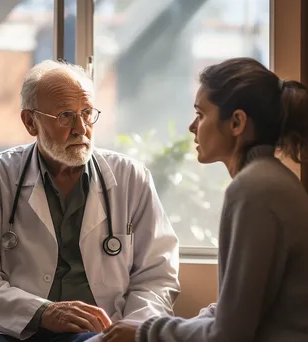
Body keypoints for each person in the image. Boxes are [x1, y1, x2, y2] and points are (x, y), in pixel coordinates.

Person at [0, 60, 180, 342]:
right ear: (31, 122)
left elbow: (157, 276)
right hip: (11, 328)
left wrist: (132, 328)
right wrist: (42, 312)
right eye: (65, 115)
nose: (81, 128)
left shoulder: (131, 178)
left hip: (98, 333)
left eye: (87, 113)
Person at [100, 57, 308, 342]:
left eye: (200, 114)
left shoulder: (254, 190)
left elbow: (228, 334)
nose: (192, 126)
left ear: (236, 122)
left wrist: (145, 333)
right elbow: (235, 310)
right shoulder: (273, 180)